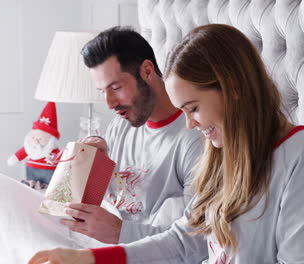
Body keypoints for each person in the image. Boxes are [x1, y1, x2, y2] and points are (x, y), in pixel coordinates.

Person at [28, 24, 304, 264]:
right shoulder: (222, 154)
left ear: (233, 87)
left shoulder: (301, 156)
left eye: (193, 108)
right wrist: (89, 259)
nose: (190, 124)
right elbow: (185, 242)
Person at [58, 26, 203, 245]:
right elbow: (117, 201)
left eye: (115, 87)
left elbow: (197, 240)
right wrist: (93, 168)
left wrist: (120, 233)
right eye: (102, 91)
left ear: (147, 71)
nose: (108, 103)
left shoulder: (196, 138)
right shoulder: (121, 125)